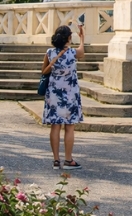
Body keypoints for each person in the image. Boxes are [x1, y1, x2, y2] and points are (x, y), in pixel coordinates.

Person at [42, 23, 85, 169]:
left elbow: (44, 71)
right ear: (68, 38)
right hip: (70, 94)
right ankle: (68, 160)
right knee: (69, 127)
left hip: (54, 93)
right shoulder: (73, 53)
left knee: (55, 126)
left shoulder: (50, 53)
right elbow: (82, 52)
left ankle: (56, 160)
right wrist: (82, 38)